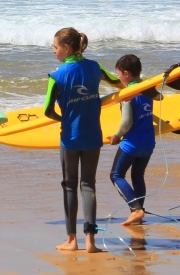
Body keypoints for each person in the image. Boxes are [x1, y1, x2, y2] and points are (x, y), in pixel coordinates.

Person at [44, 27, 121, 253]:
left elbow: (48, 110)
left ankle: (71, 240)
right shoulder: (95, 67)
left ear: (67, 48)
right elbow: (118, 84)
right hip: (93, 136)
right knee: (88, 185)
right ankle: (91, 242)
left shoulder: (57, 75)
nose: (54, 51)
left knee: (69, 186)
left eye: (55, 47)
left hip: (70, 138)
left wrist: (64, 118)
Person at [109, 54, 161, 227]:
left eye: (118, 74)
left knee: (116, 175)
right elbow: (148, 112)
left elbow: (126, 122)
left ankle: (135, 209)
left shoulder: (128, 94)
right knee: (138, 175)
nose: (118, 78)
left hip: (132, 143)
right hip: (148, 142)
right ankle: (140, 212)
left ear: (126, 73)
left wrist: (117, 136)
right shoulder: (148, 90)